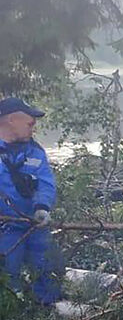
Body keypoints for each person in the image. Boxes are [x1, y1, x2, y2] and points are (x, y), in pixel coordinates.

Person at [0, 97, 60, 305]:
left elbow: (45, 182)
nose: (33, 129)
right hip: (4, 229)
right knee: (8, 275)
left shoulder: (35, 151)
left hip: (34, 225)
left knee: (47, 268)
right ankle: (12, 319)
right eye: (30, 123)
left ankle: (48, 311)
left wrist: (42, 207)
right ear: (11, 120)